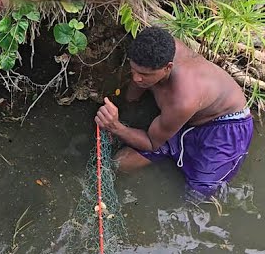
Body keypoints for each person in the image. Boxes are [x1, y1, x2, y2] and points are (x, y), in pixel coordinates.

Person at [96, 27, 254, 199]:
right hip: (180, 119)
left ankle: (177, 152)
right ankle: (172, 147)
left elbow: (151, 142)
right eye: (133, 70)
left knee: (200, 192)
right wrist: (128, 105)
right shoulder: (158, 50)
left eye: (144, 74)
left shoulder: (183, 99)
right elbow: (137, 86)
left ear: (168, 67)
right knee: (120, 163)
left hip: (224, 128)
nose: (135, 78)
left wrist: (116, 127)